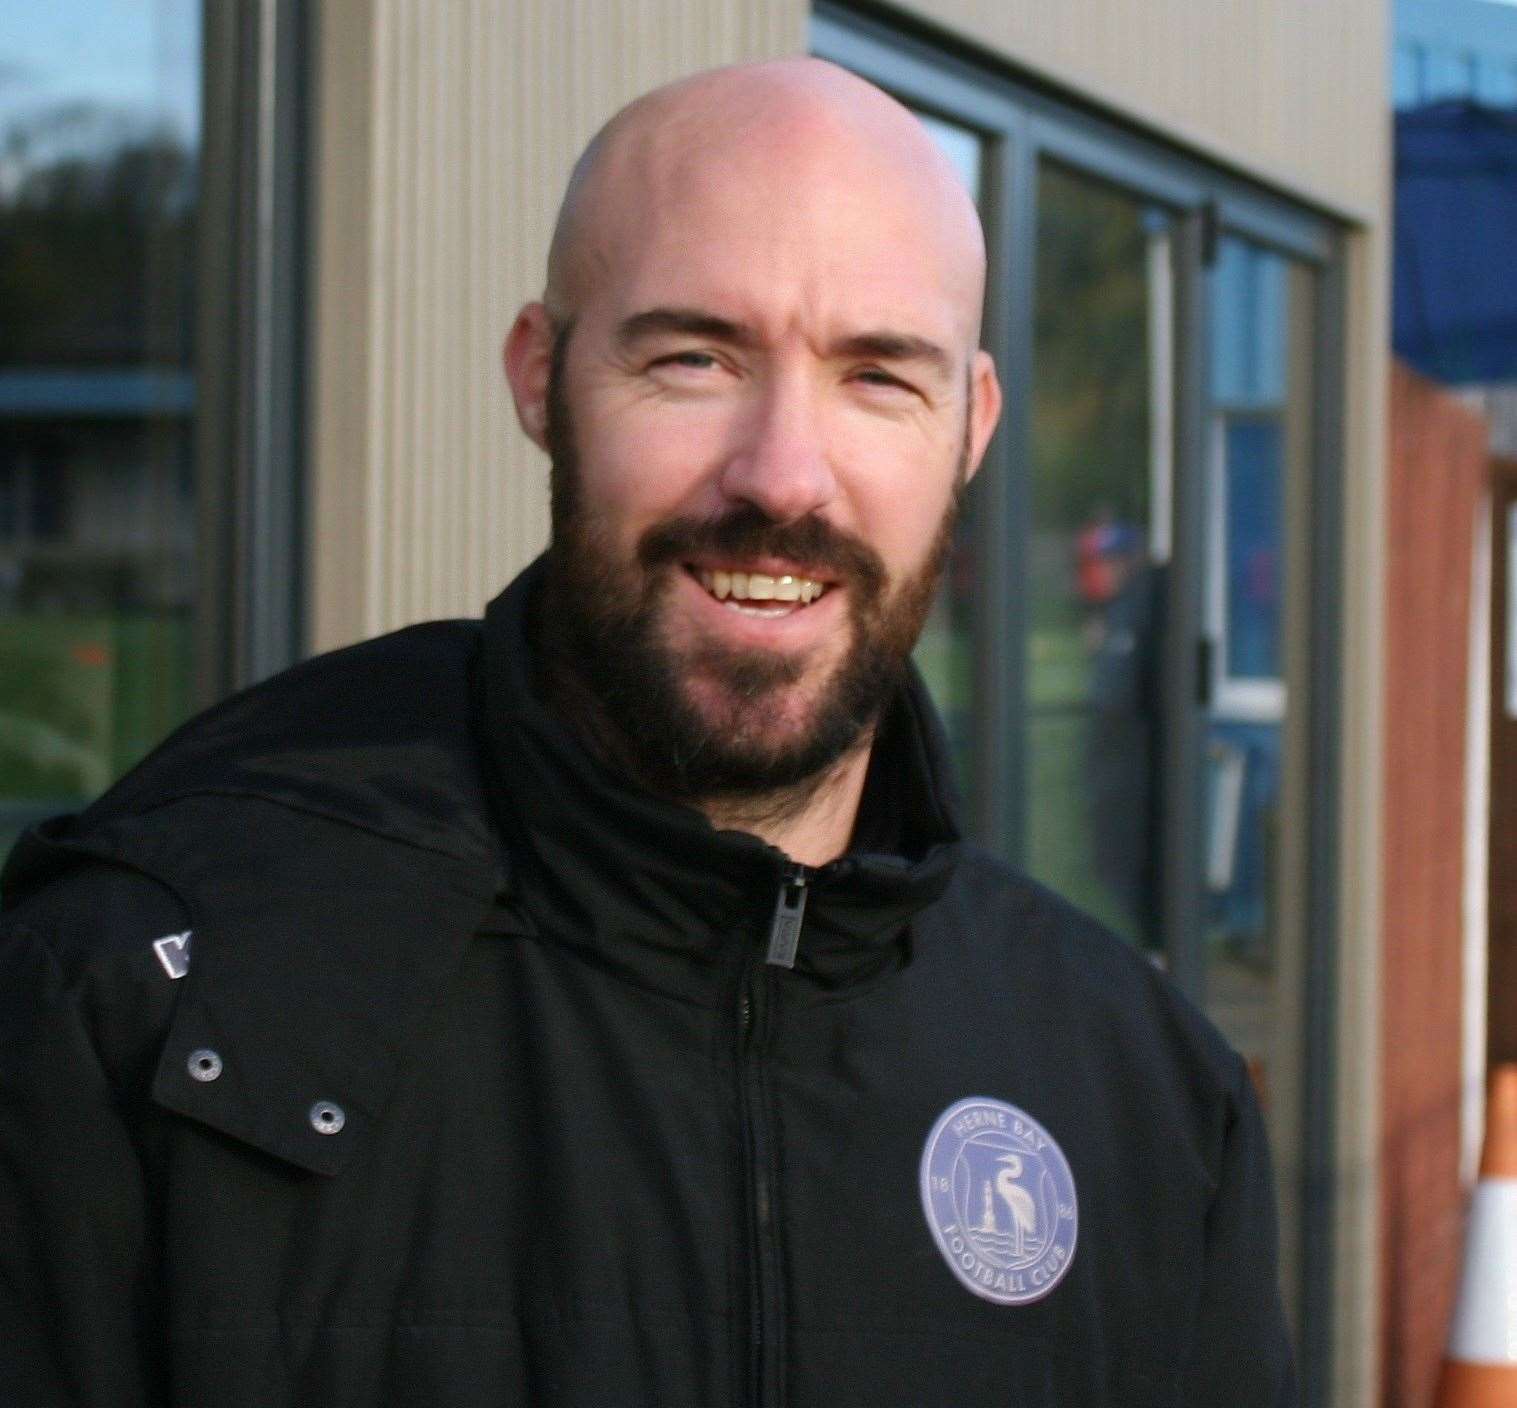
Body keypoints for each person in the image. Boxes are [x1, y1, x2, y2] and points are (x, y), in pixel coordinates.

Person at [0, 58, 1295, 1408]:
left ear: (966, 429)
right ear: (540, 379)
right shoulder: (138, 1004)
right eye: (694, 358)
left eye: (874, 377)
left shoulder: (1139, 1090)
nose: (783, 474)